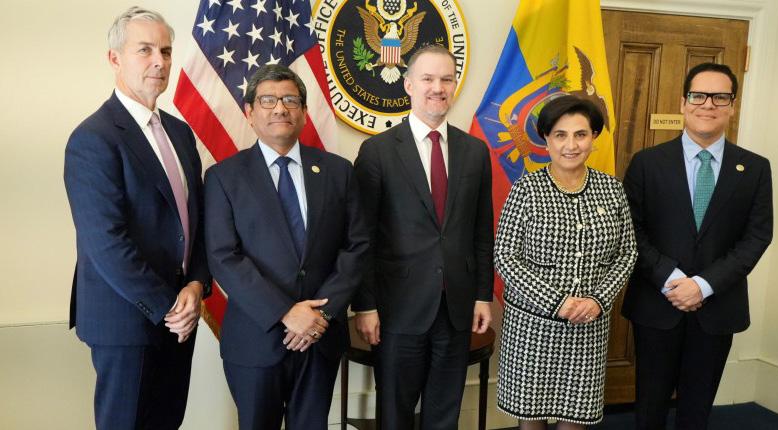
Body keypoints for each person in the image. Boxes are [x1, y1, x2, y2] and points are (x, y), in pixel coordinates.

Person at [63, 7, 210, 429]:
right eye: (144, 50)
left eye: (165, 51)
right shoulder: (93, 138)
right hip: (127, 321)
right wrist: (169, 307)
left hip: (181, 315)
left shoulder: (180, 133)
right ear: (115, 58)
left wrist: (196, 285)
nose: (159, 61)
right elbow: (106, 243)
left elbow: (197, 222)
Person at [204, 64, 369, 430]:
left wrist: (321, 316)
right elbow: (223, 256)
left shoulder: (338, 171)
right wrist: (285, 312)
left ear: (304, 112)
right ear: (250, 113)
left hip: (320, 337)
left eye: (290, 100)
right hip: (255, 339)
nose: (280, 108)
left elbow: (356, 247)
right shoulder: (223, 177)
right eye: (268, 100)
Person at [622, 63, 773, 430]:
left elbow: (757, 237)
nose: (708, 104)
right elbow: (630, 231)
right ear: (683, 102)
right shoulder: (647, 163)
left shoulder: (754, 168)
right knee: (650, 408)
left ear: (732, 106)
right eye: (698, 95)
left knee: (697, 409)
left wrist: (703, 285)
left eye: (720, 97)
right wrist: (672, 279)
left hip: (717, 307)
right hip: (658, 304)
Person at [352, 44, 494, 429]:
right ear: (409, 85)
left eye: (446, 79)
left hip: (456, 308)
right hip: (397, 309)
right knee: (396, 414)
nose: (438, 87)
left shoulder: (475, 151)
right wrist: (365, 305)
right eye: (428, 78)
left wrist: (482, 295)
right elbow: (362, 238)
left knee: (444, 414)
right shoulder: (377, 152)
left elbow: (482, 232)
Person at [494, 95, 638, 429]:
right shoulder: (527, 189)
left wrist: (598, 300)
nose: (570, 145)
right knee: (531, 418)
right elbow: (505, 257)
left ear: (594, 137)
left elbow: (627, 253)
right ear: (546, 139)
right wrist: (557, 303)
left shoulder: (611, 190)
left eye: (580, 134)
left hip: (588, 326)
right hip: (532, 329)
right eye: (560, 135)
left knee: (576, 418)